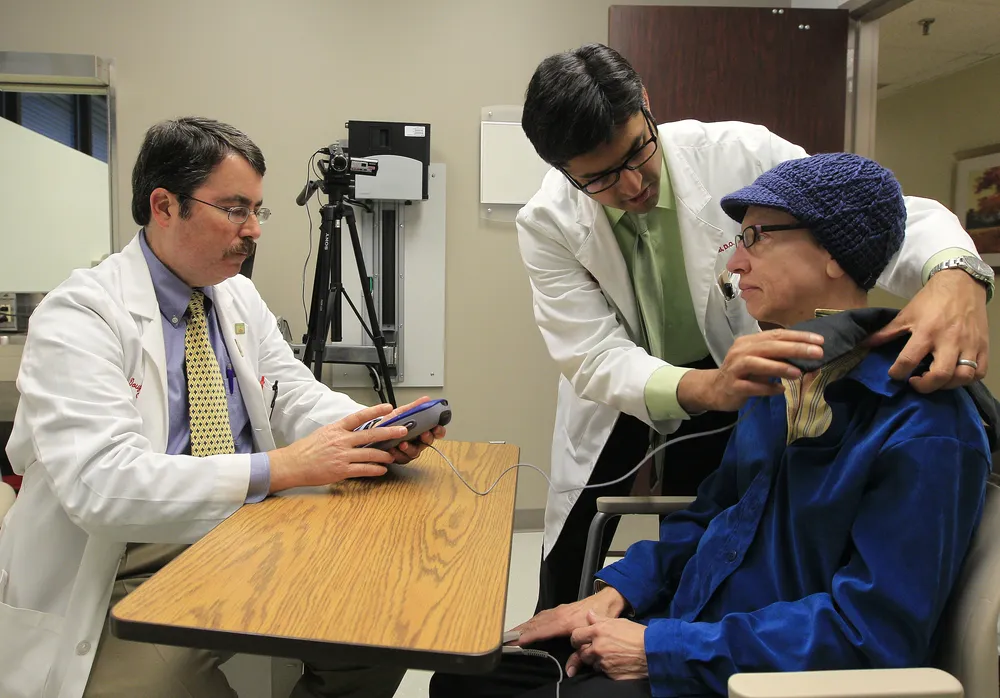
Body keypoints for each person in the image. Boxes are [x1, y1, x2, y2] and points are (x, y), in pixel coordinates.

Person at [431, 152, 991, 698]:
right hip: (693, 627)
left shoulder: (922, 422)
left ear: (834, 255)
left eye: (756, 238)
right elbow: (710, 518)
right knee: (463, 676)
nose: (733, 263)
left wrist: (662, 649)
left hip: (751, 671)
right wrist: (618, 593)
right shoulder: (779, 384)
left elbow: (871, 634)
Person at [516, 43, 994, 614]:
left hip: (746, 378)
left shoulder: (737, 153)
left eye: (637, 154)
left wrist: (956, 273)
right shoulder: (547, 222)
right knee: (569, 574)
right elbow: (593, 355)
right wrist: (706, 388)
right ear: (565, 173)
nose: (631, 186)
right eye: (599, 180)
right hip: (630, 388)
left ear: (645, 105)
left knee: (722, 538)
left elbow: (869, 209)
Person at [0, 117, 444, 698]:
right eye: (235, 209)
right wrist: (282, 468)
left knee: (382, 625)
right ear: (164, 206)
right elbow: (101, 487)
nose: (254, 229)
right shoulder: (79, 316)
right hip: (128, 555)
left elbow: (290, 389)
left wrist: (366, 430)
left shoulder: (234, 294)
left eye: (258, 210)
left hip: (245, 528)